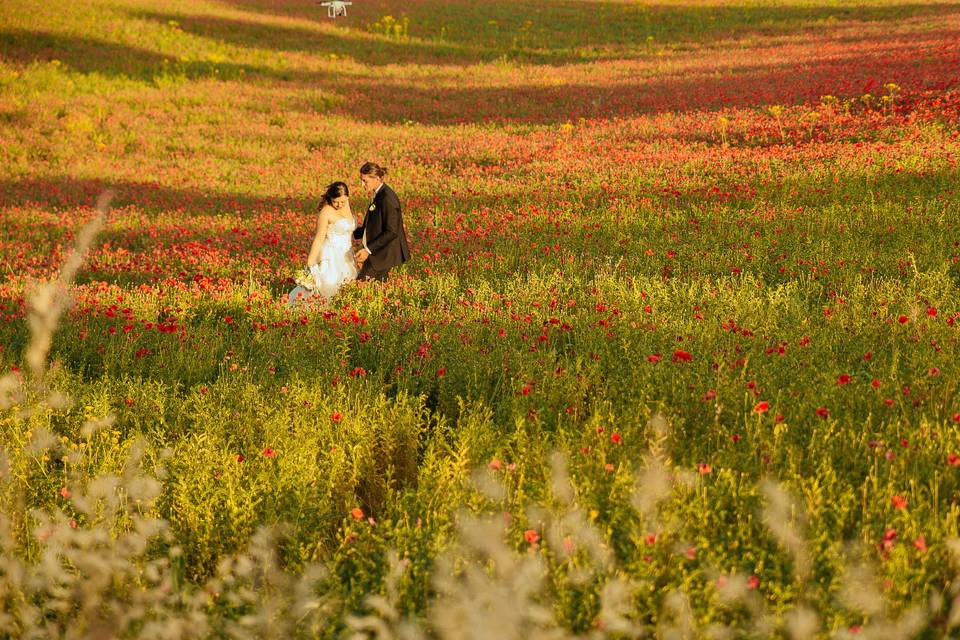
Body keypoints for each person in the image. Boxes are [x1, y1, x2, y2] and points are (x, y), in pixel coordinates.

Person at [287, 181, 358, 305]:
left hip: (347, 255)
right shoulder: (326, 212)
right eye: (336, 201)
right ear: (330, 198)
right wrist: (310, 262)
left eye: (343, 201)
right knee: (329, 285)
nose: (339, 205)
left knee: (347, 287)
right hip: (330, 255)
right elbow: (319, 238)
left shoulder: (347, 206)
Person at [353, 162, 410, 281]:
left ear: (377, 179)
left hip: (384, 255)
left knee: (362, 286)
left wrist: (368, 250)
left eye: (365, 181)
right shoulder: (378, 194)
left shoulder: (387, 198)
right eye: (361, 180)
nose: (362, 184)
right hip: (378, 253)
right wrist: (350, 232)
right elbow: (372, 225)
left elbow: (392, 231)